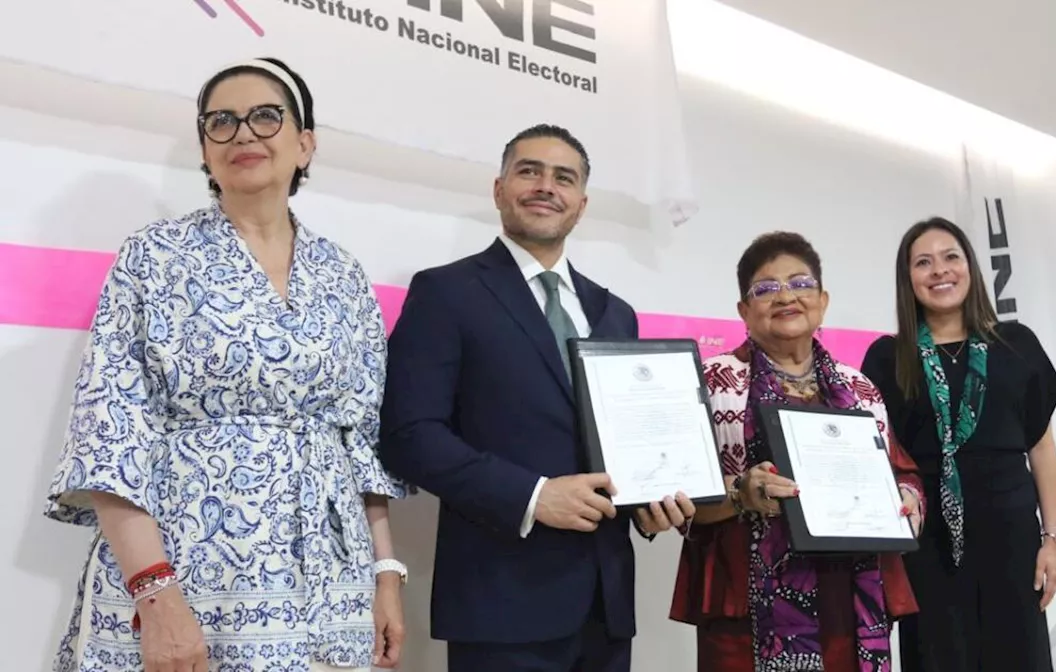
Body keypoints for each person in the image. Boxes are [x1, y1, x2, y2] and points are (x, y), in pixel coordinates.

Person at [43, 58, 409, 672]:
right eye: (222, 122)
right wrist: (155, 594)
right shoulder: (154, 256)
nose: (243, 134)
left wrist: (387, 574)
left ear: (304, 143)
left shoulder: (343, 274)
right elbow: (109, 437)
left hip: (329, 583)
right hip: (184, 576)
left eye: (266, 116)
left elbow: (361, 445)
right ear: (205, 150)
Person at [376, 123, 694, 672]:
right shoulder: (445, 292)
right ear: (499, 189)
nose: (546, 186)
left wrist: (649, 502)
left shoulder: (616, 313)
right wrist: (533, 496)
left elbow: (621, 444)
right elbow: (409, 436)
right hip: (501, 603)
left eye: (563, 177)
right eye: (529, 171)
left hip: (606, 603)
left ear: (581, 203)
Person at [668, 231, 926, 672]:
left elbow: (903, 473)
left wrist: (907, 501)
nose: (786, 296)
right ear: (743, 311)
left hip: (850, 598)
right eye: (765, 288)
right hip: (747, 601)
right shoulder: (709, 382)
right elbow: (677, 493)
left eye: (801, 284)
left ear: (823, 301)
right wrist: (740, 494)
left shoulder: (859, 388)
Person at [859, 217, 1056, 672]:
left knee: (1019, 658)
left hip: (1011, 537)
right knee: (937, 657)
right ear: (907, 279)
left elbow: (1043, 448)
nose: (939, 271)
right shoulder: (888, 357)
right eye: (923, 263)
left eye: (951, 257)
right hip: (927, 542)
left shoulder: (1016, 343)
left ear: (970, 267)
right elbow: (874, 455)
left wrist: (1051, 540)